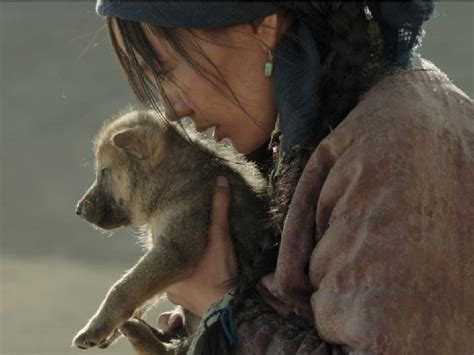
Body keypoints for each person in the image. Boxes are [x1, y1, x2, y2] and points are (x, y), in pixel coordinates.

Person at [93, 1, 474, 354]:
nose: (171, 110)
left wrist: (221, 308)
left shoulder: (396, 147)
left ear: (264, 25)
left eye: (164, 69)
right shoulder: (320, 130)